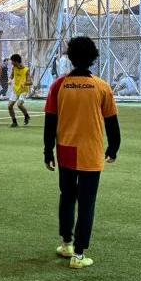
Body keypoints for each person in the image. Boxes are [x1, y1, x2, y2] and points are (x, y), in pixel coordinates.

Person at [44, 37, 121, 269]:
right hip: (91, 151)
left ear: (70, 57)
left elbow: (50, 122)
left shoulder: (58, 85)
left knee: (67, 197)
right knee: (87, 202)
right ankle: (79, 255)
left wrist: (48, 151)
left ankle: (66, 243)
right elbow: (112, 123)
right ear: (93, 58)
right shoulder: (101, 86)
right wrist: (113, 148)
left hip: (65, 150)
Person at [8, 54, 32, 127]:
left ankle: (26, 115)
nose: (11, 63)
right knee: (9, 106)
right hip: (15, 90)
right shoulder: (14, 68)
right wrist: (9, 80)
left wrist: (24, 83)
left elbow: (30, 82)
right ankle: (14, 122)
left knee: (19, 104)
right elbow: (11, 76)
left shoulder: (26, 70)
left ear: (16, 61)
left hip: (23, 90)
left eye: (12, 61)